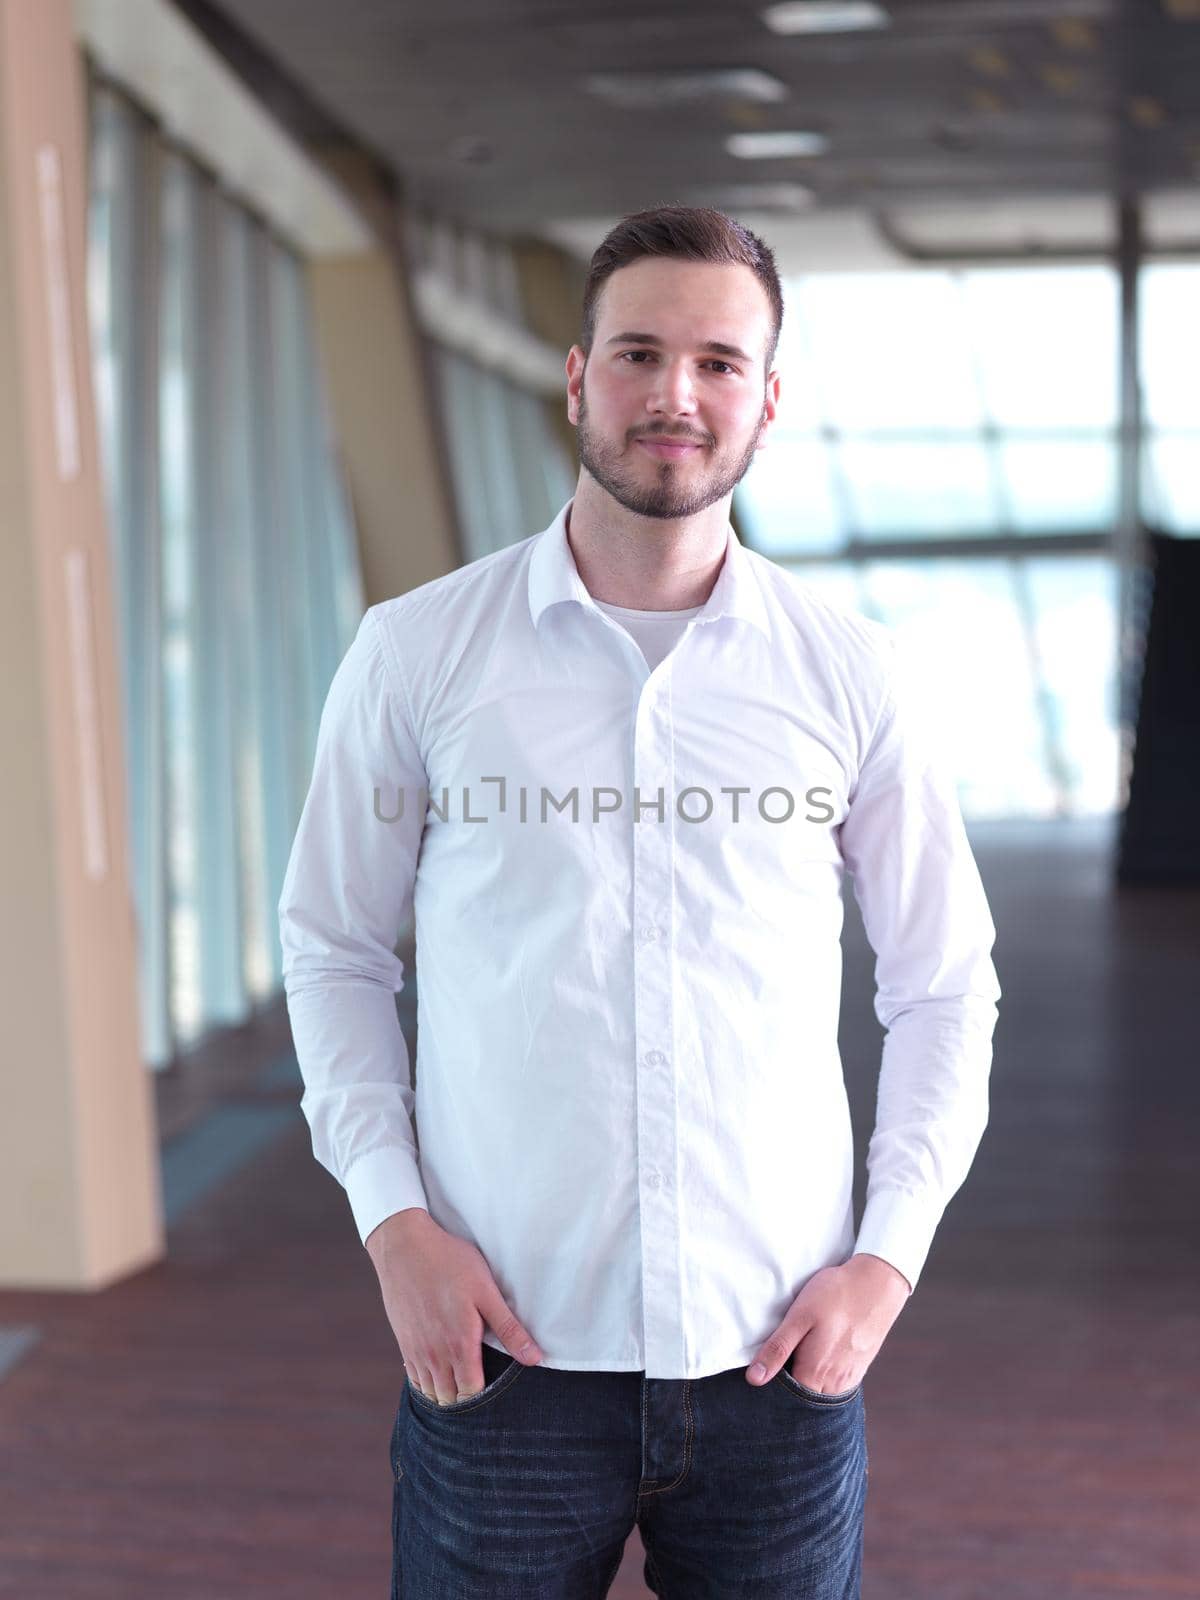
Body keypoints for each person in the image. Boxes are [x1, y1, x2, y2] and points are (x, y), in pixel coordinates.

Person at [278, 204, 1001, 1599]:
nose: (677, 394)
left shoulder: (851, 673)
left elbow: (943, 983)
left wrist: (888, 1263)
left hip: (778, 1356)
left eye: (720, 362)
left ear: (769, 401)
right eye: (640, 354)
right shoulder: (415, 653)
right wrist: (393, 1225)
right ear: (577, 376)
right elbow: (335, 951)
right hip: (500, 1348)